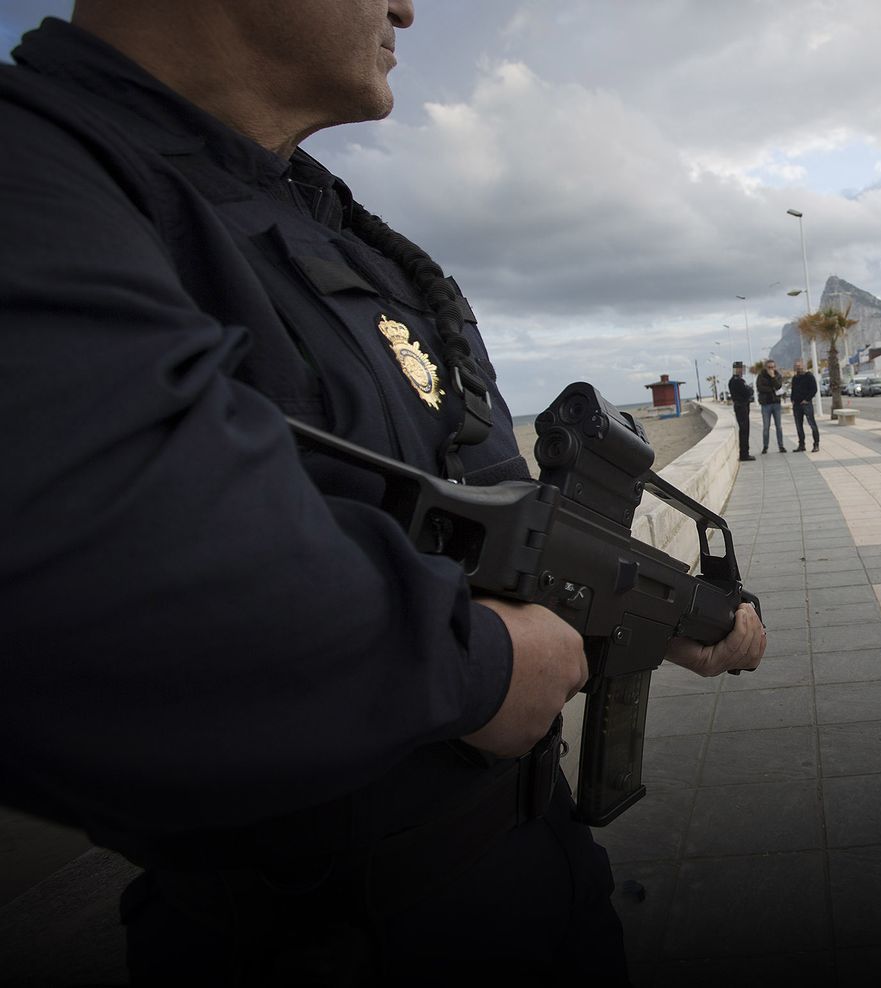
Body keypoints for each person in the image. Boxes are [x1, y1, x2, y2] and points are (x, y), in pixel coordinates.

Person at [0, 3, 765, 984]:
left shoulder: (338, 230)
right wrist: (475, 664)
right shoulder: (43, 171)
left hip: (538, 879)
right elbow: (92, 586)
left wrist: (656, 619)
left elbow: (507, 544)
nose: (406, 5)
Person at [756, 358, 787, 453]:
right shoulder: (761, 376)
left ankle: (781, 446)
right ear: (766, 368)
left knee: (779, 426)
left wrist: (773, 377)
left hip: (776, 404)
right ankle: (765, 446)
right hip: (766, 404)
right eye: (769, 367)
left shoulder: (777, 375)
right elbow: (760, 388)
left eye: (773, 367)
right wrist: (772, 389)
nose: (771, 369)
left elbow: (778, 386)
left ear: (775, 367)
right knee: (766, 427)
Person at [790, 359, 820, 452]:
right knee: (799, 426)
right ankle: (801, 445)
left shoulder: (809, 376)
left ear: (803, 366)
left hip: (806, 404)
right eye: (796, 366)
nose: (798, 368)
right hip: (796, 405)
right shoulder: (795, 378)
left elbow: (814, 389)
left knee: (812, 424)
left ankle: (816, 444)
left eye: (799, 366)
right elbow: (793, 390)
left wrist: (807, 399)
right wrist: (792, 399)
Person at [729, 360, 756, 461]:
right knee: (744, 430)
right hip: (741, 407)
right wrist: (749, 390)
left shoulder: (734, 380)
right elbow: (747, 392)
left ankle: (744, 452)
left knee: (744, 430)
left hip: (740, 406)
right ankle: (744, 454)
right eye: (740, 368)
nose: (742, 370)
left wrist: (749, 390)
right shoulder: (737, 381)